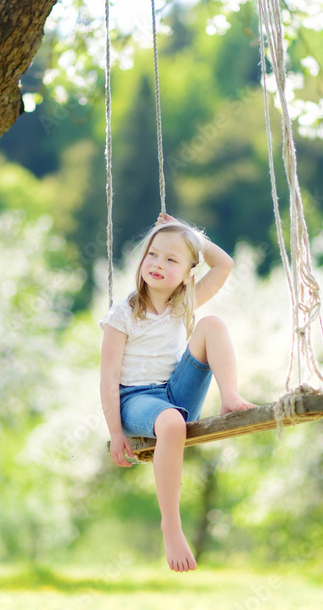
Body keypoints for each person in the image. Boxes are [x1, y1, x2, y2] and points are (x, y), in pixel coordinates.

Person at [99, 212, 255, 572]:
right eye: (153, 254)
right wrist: (116, 433)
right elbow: (108, 380)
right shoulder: (121, 315)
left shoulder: (182, 304)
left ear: (188, 274)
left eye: (171, 260)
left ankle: (230, 395)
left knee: (212, 324)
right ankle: (171, 523)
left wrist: (189, 233)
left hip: (175, 395)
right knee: (170, 423)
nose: (157, 264)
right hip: (134, 401)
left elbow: (224, 264)